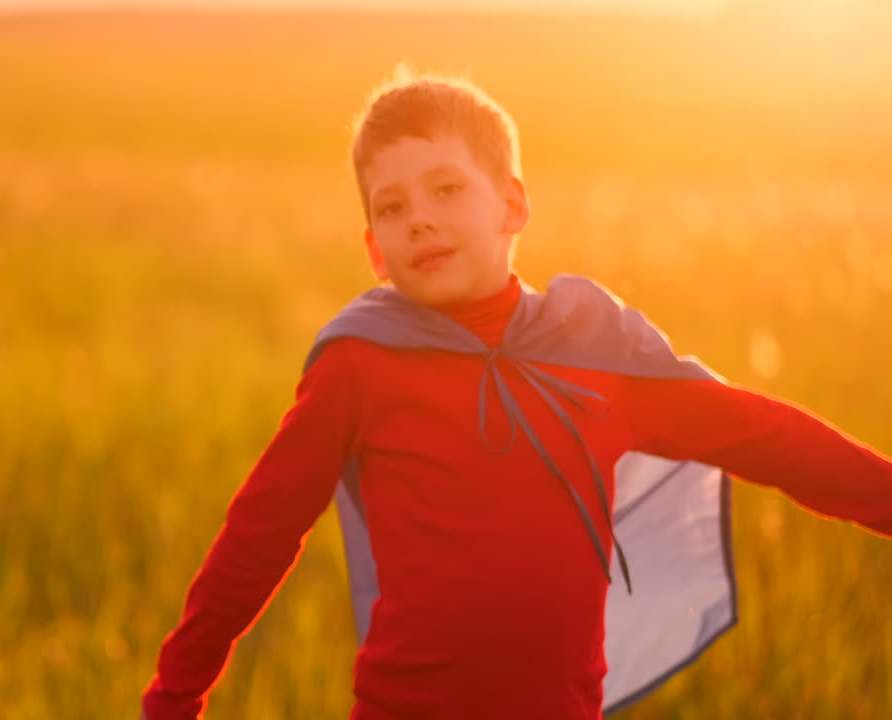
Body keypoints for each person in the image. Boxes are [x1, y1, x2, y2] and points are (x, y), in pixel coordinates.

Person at [140, 70, 892, 720]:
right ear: (373, 249)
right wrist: (174, 699)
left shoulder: (594, 352)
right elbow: (257, 537)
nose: (420, 218)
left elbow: (766, 437)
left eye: (445, 189)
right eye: (391, 207)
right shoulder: (360, 364)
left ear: (512, 206)